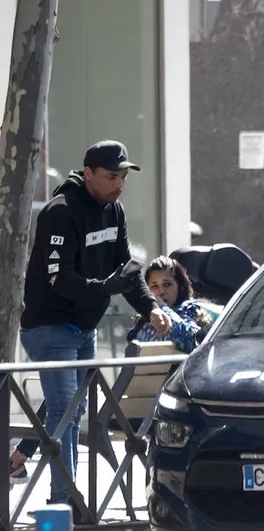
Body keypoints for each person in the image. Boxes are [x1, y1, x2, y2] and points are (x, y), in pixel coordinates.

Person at [12, 140, 172, 517]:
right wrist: (103, 289)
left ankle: (37, 474)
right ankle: (62, 500)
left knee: (69, 408)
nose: (119, 185)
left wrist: (150, 308)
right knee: (64, 409)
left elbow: (128, 273)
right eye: (111, 177)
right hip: (49, 326)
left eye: (123, 177)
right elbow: (57, 279)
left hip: (84, 327)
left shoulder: (114, 210)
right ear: (88, 174)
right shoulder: (59, 213)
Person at [127, 256, 223, 352]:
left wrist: (164, 309)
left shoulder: (192, 310)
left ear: (179, 287)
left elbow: (193, 341)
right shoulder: (145, 320)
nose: (161, 291)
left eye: (167, 284)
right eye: (154, 286)